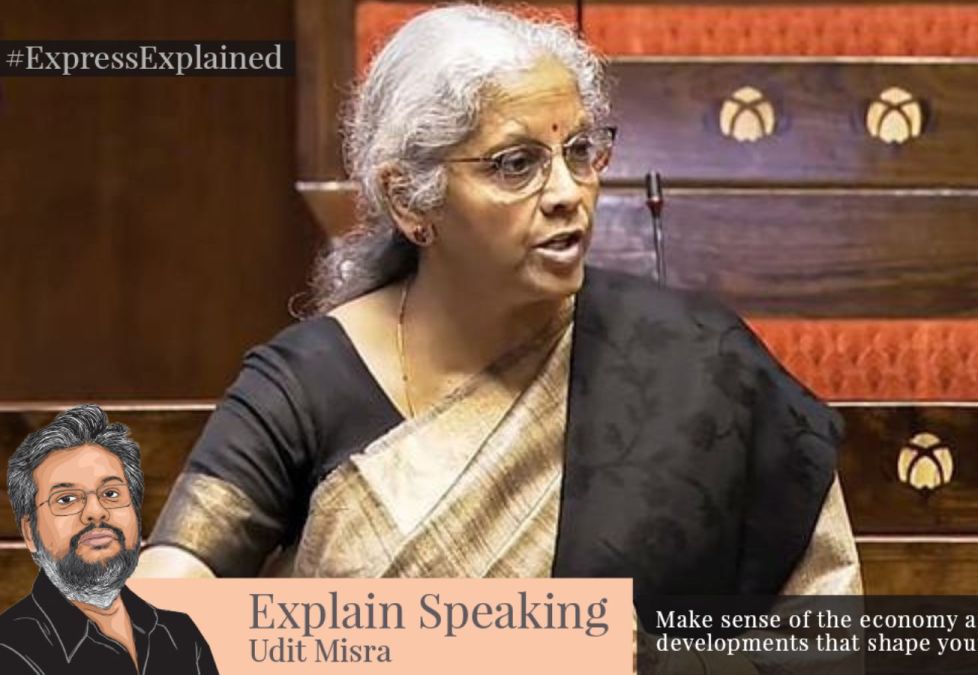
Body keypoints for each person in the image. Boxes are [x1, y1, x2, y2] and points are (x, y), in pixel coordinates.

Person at [139, 4, 860, 602]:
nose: (566, 192)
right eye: (517, 164)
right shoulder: (303, 385)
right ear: (409, 199)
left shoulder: (696, 362)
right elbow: (167, 596)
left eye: (580, 151)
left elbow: (818, 606)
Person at [1, 405, 219, 674]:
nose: (96, 513)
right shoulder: (13, 648)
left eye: (111, 494)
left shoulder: (181, 632)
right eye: (67, 499)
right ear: (31, 533)